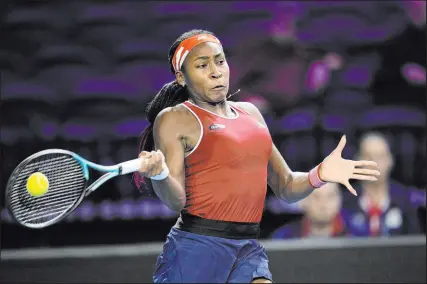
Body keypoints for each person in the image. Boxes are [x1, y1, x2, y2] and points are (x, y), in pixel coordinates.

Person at [133, 29, 380, 283]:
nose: (216, 71)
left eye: (220, 61)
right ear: (181, 77)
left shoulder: (252, 113)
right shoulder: (175, 119)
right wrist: (160, 174)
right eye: (202, 65)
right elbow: (176, 201)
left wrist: (320, 174)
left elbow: (285, 186)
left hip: (246, 247)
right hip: (196, 249)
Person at [343, 132, 424, 237]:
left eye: (380, 156)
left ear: (390, 160)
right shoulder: (345, 202)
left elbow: (414, 245)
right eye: (368, 156)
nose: (374, 163)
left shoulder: (406, 201)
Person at [271, 183, 347, 239]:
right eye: (316, 197)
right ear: (303, 201)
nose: (323, 204)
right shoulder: (284, 238)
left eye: (330, 196)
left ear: (340, 200)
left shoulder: (356, 236)